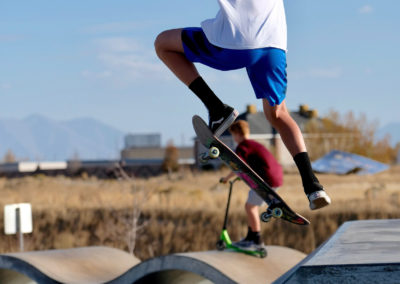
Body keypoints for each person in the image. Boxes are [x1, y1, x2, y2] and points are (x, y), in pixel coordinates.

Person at [154, 0, 331, 209]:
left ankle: (216, 107)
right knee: (279, 114)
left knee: (163, 43)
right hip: (274, 46)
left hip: (235, 42)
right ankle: (313, 186)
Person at [220, 120, 283, 249]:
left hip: (267, 181)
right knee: (251, 202)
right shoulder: (253, 144)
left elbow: (237, 166)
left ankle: (257, 240)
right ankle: (250, 236)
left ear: (237, 134)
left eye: (233, 135)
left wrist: (226, 178)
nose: (234, 138)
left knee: (250, 207)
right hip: (276, 178)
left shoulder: (243, 147)